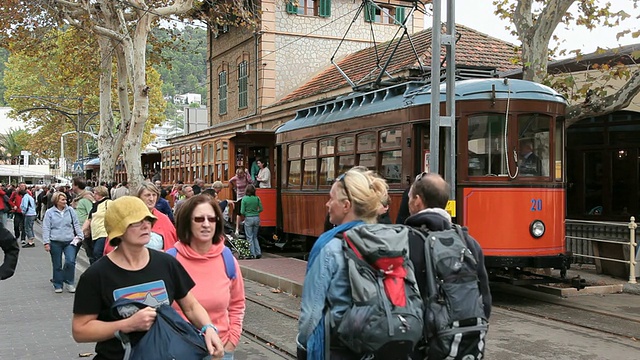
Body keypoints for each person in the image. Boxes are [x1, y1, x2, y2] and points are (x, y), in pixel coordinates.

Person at [71, 196, 225, 360]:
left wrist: (208, 328)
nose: (146, 225)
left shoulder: (166, 263)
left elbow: (191, 306)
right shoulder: (96, 275)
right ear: (118, 229)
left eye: (148, 220)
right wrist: (127, 325)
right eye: (136, 221)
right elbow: (80, 330)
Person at [297, 167, 389, 360]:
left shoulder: (330, 246)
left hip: (337, 347)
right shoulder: (388, 241)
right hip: (379, 345)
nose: (327, 204)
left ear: (346, 205)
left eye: (331, 199)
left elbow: (312, 313)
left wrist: (303, 344)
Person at [404, 172, 492, 317]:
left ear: (417, 201)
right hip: (464, 334)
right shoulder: (468, 242)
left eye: (409, 198)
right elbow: (485, 299)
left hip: (426, 332)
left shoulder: (407, 241)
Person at [171, 195, 246, 360]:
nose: (206, 224)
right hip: (179, 352)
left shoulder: (228, 260)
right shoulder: (171, 261)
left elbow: (237, 304)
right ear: (187, 222)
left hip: (220, 350)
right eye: (199, 219)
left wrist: (231, 341)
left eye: (212, 219)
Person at [103, 182, 177, 254]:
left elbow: (171, 245)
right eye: (147, 195)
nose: (151, 199)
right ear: (139, 197)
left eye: (154, 195)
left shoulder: (164, 219)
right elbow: (113, 246)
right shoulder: (126, 216)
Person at [42, 191, 83, 293]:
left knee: (70, 261)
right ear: (56, 201)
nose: (65, 201)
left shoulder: (70, 211)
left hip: (69, 241)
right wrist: (46, 242)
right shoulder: (49, 213)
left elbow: (76, 224)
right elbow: (46, 228)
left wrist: (80, 235)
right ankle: (58, 284)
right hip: (55, 241)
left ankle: (69, 282)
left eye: (65, 199)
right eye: (62, 199)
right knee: (57, 264)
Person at [82, 186, 112, 263]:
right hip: (95, 234)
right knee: (92, 254)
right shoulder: (95, 205)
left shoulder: (108, 203)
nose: (93, 195)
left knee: (97, 252)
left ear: (100, 194)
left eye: (95, 193)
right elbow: (89, 219)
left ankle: (100, 271)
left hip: (104, 232)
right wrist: (81, 231)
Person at [240, 184, 263, 259]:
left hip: (248, 218)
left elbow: (242, 211)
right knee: (255, 236)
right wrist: (256, 212)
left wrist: (247, 213)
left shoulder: (244, 199)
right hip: (256, 218)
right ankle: (258, 252)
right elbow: (261, 209)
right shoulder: (257, 198)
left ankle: (252, 254)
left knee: (249, 237)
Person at [228, 167, 252, 235]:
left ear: (242, 173)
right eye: (237, 174)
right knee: (239, 211)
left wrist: (247, 173)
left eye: (240, 174)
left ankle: (244, 225)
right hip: (239, 196)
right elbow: (230, 180)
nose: (238, 176)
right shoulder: (236, 177)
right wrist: (234, 187)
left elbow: (250, 181)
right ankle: (237, 229)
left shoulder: (245, 176)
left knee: (245, 210)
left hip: (246, 195)